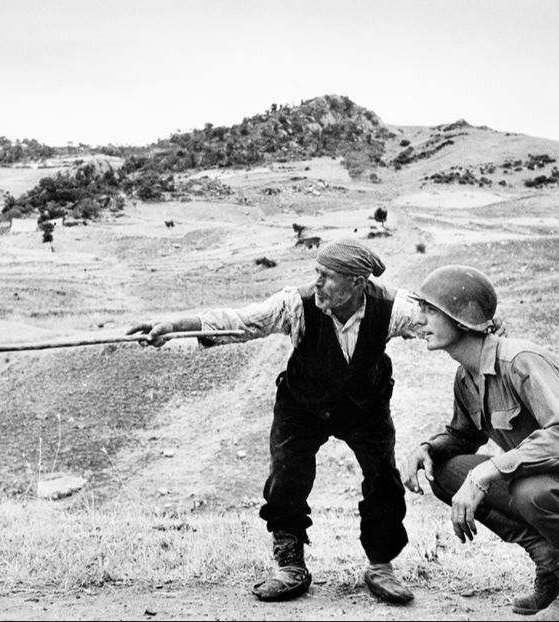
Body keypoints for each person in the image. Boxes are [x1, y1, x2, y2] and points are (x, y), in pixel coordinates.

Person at [128, 238, 423, 604]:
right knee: (287, 477)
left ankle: (381, 566)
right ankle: (290, 566)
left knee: (383, 479)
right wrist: (173, 326)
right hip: (302, 404)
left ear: (357, 283)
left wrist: (485, 327)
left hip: (364, 406)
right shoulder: (295, 305)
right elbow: (240, 322)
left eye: (327, 277)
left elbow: (440, 320)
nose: (317, 283)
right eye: (317, 273)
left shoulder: (393, 308)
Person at [399, 265, 559, 621]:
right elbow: (463, 437)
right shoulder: (467, 377)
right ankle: (553, 565)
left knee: (529, 487)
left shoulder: (521, 361)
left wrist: (489, 471)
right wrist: (427, 449)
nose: (419, 319)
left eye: (430, 310)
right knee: (447, 471)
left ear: (461, 319)